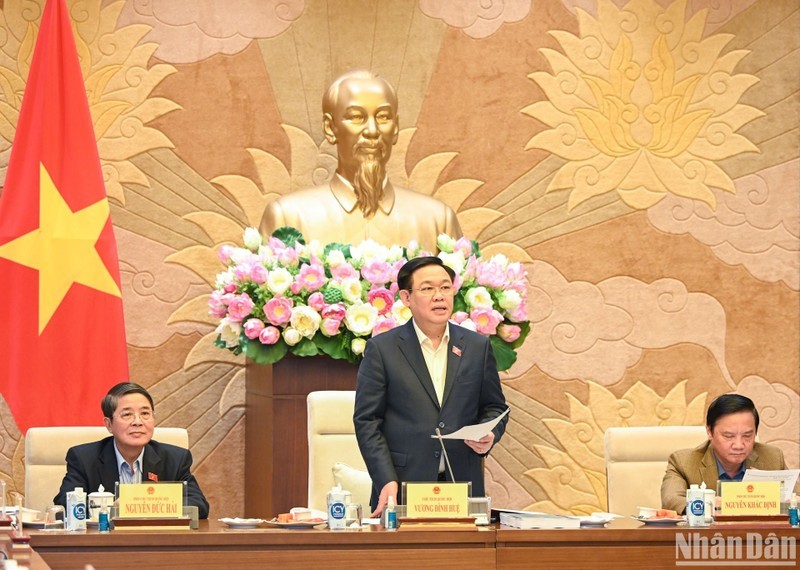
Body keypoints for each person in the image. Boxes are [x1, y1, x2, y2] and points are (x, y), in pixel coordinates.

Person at [353, 256, 508, 516]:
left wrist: (490, 434)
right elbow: (367, 421)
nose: (439, 296)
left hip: (462, 486)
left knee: (464, 558)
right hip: (402, 487)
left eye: (446, 288)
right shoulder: (383, 349)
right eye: (428, 289)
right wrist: (385, 479)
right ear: (406, 297)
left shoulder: (476, 347)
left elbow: (494, 407)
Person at [260, 69, 462, 252]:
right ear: (330, 128)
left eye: (383, 117)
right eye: (357, 117)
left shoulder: (438, 220)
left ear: (396, 128)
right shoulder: (287, 218)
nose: (372, 131)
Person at [54, 382, 209, 519]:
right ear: (109, 425)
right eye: (127, 414)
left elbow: (199, 505)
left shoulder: (175, 458)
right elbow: (65, 504)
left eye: (145, 414)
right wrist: (109, 509)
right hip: (104, 546)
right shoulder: (84, 458)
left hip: (155, 544)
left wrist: (139, 504)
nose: (137, 422)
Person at [661, 394, 789, 514]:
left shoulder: (772, 458)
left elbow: (796, 498)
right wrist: (718, 504)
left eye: (747, 435)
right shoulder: (684, 462)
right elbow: (671, 500)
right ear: (710, 432)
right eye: (729, 436)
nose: (739, 445)